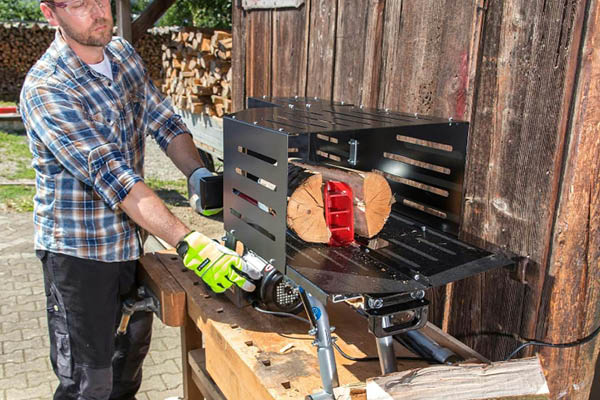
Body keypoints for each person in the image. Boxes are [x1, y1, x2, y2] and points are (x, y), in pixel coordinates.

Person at [19, 0, 256, 398]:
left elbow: (164, 121)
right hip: (78, 256)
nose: (98, 12)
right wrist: (188, 241)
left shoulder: (121, 54)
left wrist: (197, 174)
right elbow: (114, 178)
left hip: (129, 244)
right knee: (88, 383)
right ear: (49, 13)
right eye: (79, 4)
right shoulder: (47, 87)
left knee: (127, 366)